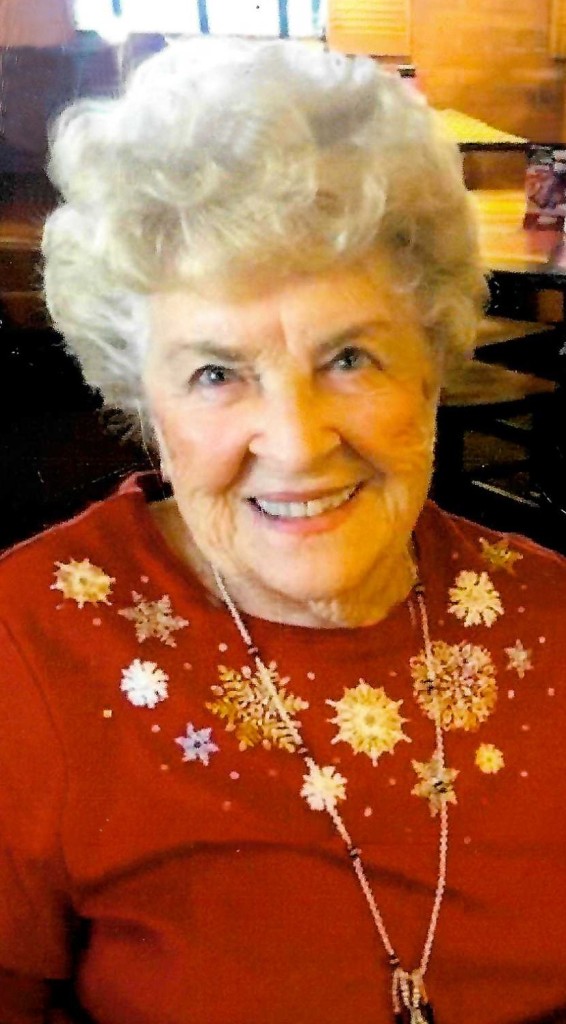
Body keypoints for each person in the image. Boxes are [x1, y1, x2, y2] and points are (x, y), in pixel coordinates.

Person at [0, 36, 565, 1024]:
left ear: (431, 362)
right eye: (216, 373)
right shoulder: (32, 648)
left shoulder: (551, 617)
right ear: (143, 399)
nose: (298, 444)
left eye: (349, 357)